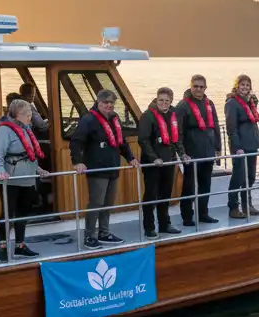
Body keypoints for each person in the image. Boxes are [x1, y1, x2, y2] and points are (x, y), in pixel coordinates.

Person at [70, 89, 140, 249]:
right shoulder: (88, 120)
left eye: (111, 103)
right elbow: (76, 142)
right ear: (98, 102)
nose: (109, 105)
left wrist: (131, 158)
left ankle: (104, 232)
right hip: (97, 168)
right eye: (105, 102)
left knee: (108, 202)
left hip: (113, 166)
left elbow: (121, 142)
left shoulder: (115, 119)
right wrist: (77, 162)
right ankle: (89, 236)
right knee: (96, 202)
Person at [0, 98, 50, 262]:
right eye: (26, 114)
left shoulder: (26, 129)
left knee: (23, 212)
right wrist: (0, 171)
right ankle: (2, 247)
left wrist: (39, 170)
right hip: (10, 178)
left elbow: (30, 154)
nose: (29, 117)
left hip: (28, 177)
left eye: (30, 113)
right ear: (16, 115)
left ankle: (20, 246)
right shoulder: (4, 131)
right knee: (8, 213)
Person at [136, 86, 188, 238]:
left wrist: (182, 154)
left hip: (169, 161)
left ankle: (165, 224)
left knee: (165, 194)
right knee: (150, 195)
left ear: (171, 101)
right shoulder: (147, 116)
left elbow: (176, 138)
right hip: (153, 163)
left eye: (167, 100)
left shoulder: (173, 115)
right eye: (161, 100)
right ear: (156, 99)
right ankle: (149, 227)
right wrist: (154, 158)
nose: (163, 103)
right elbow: (143, 140)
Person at [176, 74, 221, 226]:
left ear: (205, 88)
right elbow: (178, 132)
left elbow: (215, 125)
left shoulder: (210, 104)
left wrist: (218, 147)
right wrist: (182, 153)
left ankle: (203, 213)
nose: (198, 89)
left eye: (201, 86)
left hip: (207, 151)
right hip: (191, 153)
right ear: (190, 86)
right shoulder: (182, 106)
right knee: (189, 186)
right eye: (195, 86)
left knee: (205, 185)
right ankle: (187, 217)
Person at [225, 74, 259, 219]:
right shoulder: (231, 104)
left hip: (252, 145)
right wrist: (237, 147)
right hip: (240, 147)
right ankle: (233, 207)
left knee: (250, 177)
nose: (245, 88)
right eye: (242, 85)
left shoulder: (250, 102)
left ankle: (247, 205)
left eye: (247, 85)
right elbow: (231, 128)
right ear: (237, 86)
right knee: (238, 177)